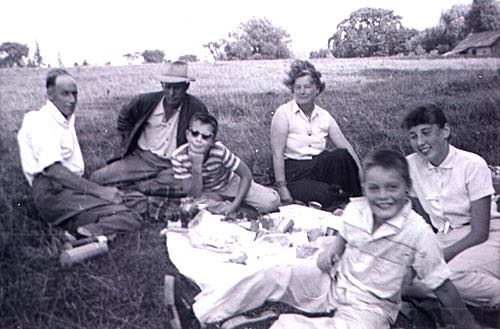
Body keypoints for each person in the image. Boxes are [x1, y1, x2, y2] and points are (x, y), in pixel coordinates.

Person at [192, 150, 480, 329]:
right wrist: (335, 247)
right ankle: (203, 312)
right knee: (275, 271)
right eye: (374, 188)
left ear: (407, 188)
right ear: (364, 189)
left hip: (370, 307)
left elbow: (443, 286)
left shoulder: (417, 232)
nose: (383, 196)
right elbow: (345, 231)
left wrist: (469, 326)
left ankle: (275, 322)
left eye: (392, 187)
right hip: (333, 280)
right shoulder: (357, 210)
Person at [17, 69, 147, 237]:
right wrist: (100, 191)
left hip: (72, 188)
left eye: (74, 94)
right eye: (65, 94)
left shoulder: (65, 119)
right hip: (53, 192)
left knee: (139, 201)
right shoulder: (39, 120)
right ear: (50, 94)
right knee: (131, 217)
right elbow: (53, 170)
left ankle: (77, 226)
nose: (72, 100)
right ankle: (85, 234)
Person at [402, 103, 500, 308]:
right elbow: (423, 218)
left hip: (487, 235)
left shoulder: (472, 164)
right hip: (444, 237)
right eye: (413, 136)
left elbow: (480, 232)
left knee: (447, 278)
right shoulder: (411, 165)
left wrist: (440, 257)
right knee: (400, 279)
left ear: (445, 131)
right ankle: (476, 292)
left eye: (426, 133)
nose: (420, 142)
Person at [90, 61, 208, 197]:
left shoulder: (196, 108)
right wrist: (126, 144)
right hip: (143, 159)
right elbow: (124, 119)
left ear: (186, 87)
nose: (171, 93)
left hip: (175, 164)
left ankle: (137, 188)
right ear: (162, 85)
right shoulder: (145, 101)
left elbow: (206, 135)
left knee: (191, 187)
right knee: (97, 178)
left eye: (177, 88)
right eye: (168, 87)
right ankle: (144, 187)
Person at [271, 60, 362, 211]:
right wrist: (282, 188)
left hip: (319, 166)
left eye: (307, 87)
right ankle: (336, 198)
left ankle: (353, 199)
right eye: (297, 87)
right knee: (327, 196)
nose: (302, 92)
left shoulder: (324, 115)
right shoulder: (283, 113)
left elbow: (345, 146)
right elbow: (277, 153)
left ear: (317, 89)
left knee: (341, 155)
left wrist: (362, 177)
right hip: (295, 172)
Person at [171, 113, 280, 215]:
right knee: (189, 208)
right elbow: (193, 194)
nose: (198, 140)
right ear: (187, 134)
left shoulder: (219, 151)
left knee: (271, 203)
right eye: (194, 134)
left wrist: (235, 205)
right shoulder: (178, 157)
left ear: (212, 141)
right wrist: (196, 166)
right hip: (204, 192)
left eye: (205, 137)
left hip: (229, 183)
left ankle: (234, 203)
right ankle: (232, 206)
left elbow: (246, 174)